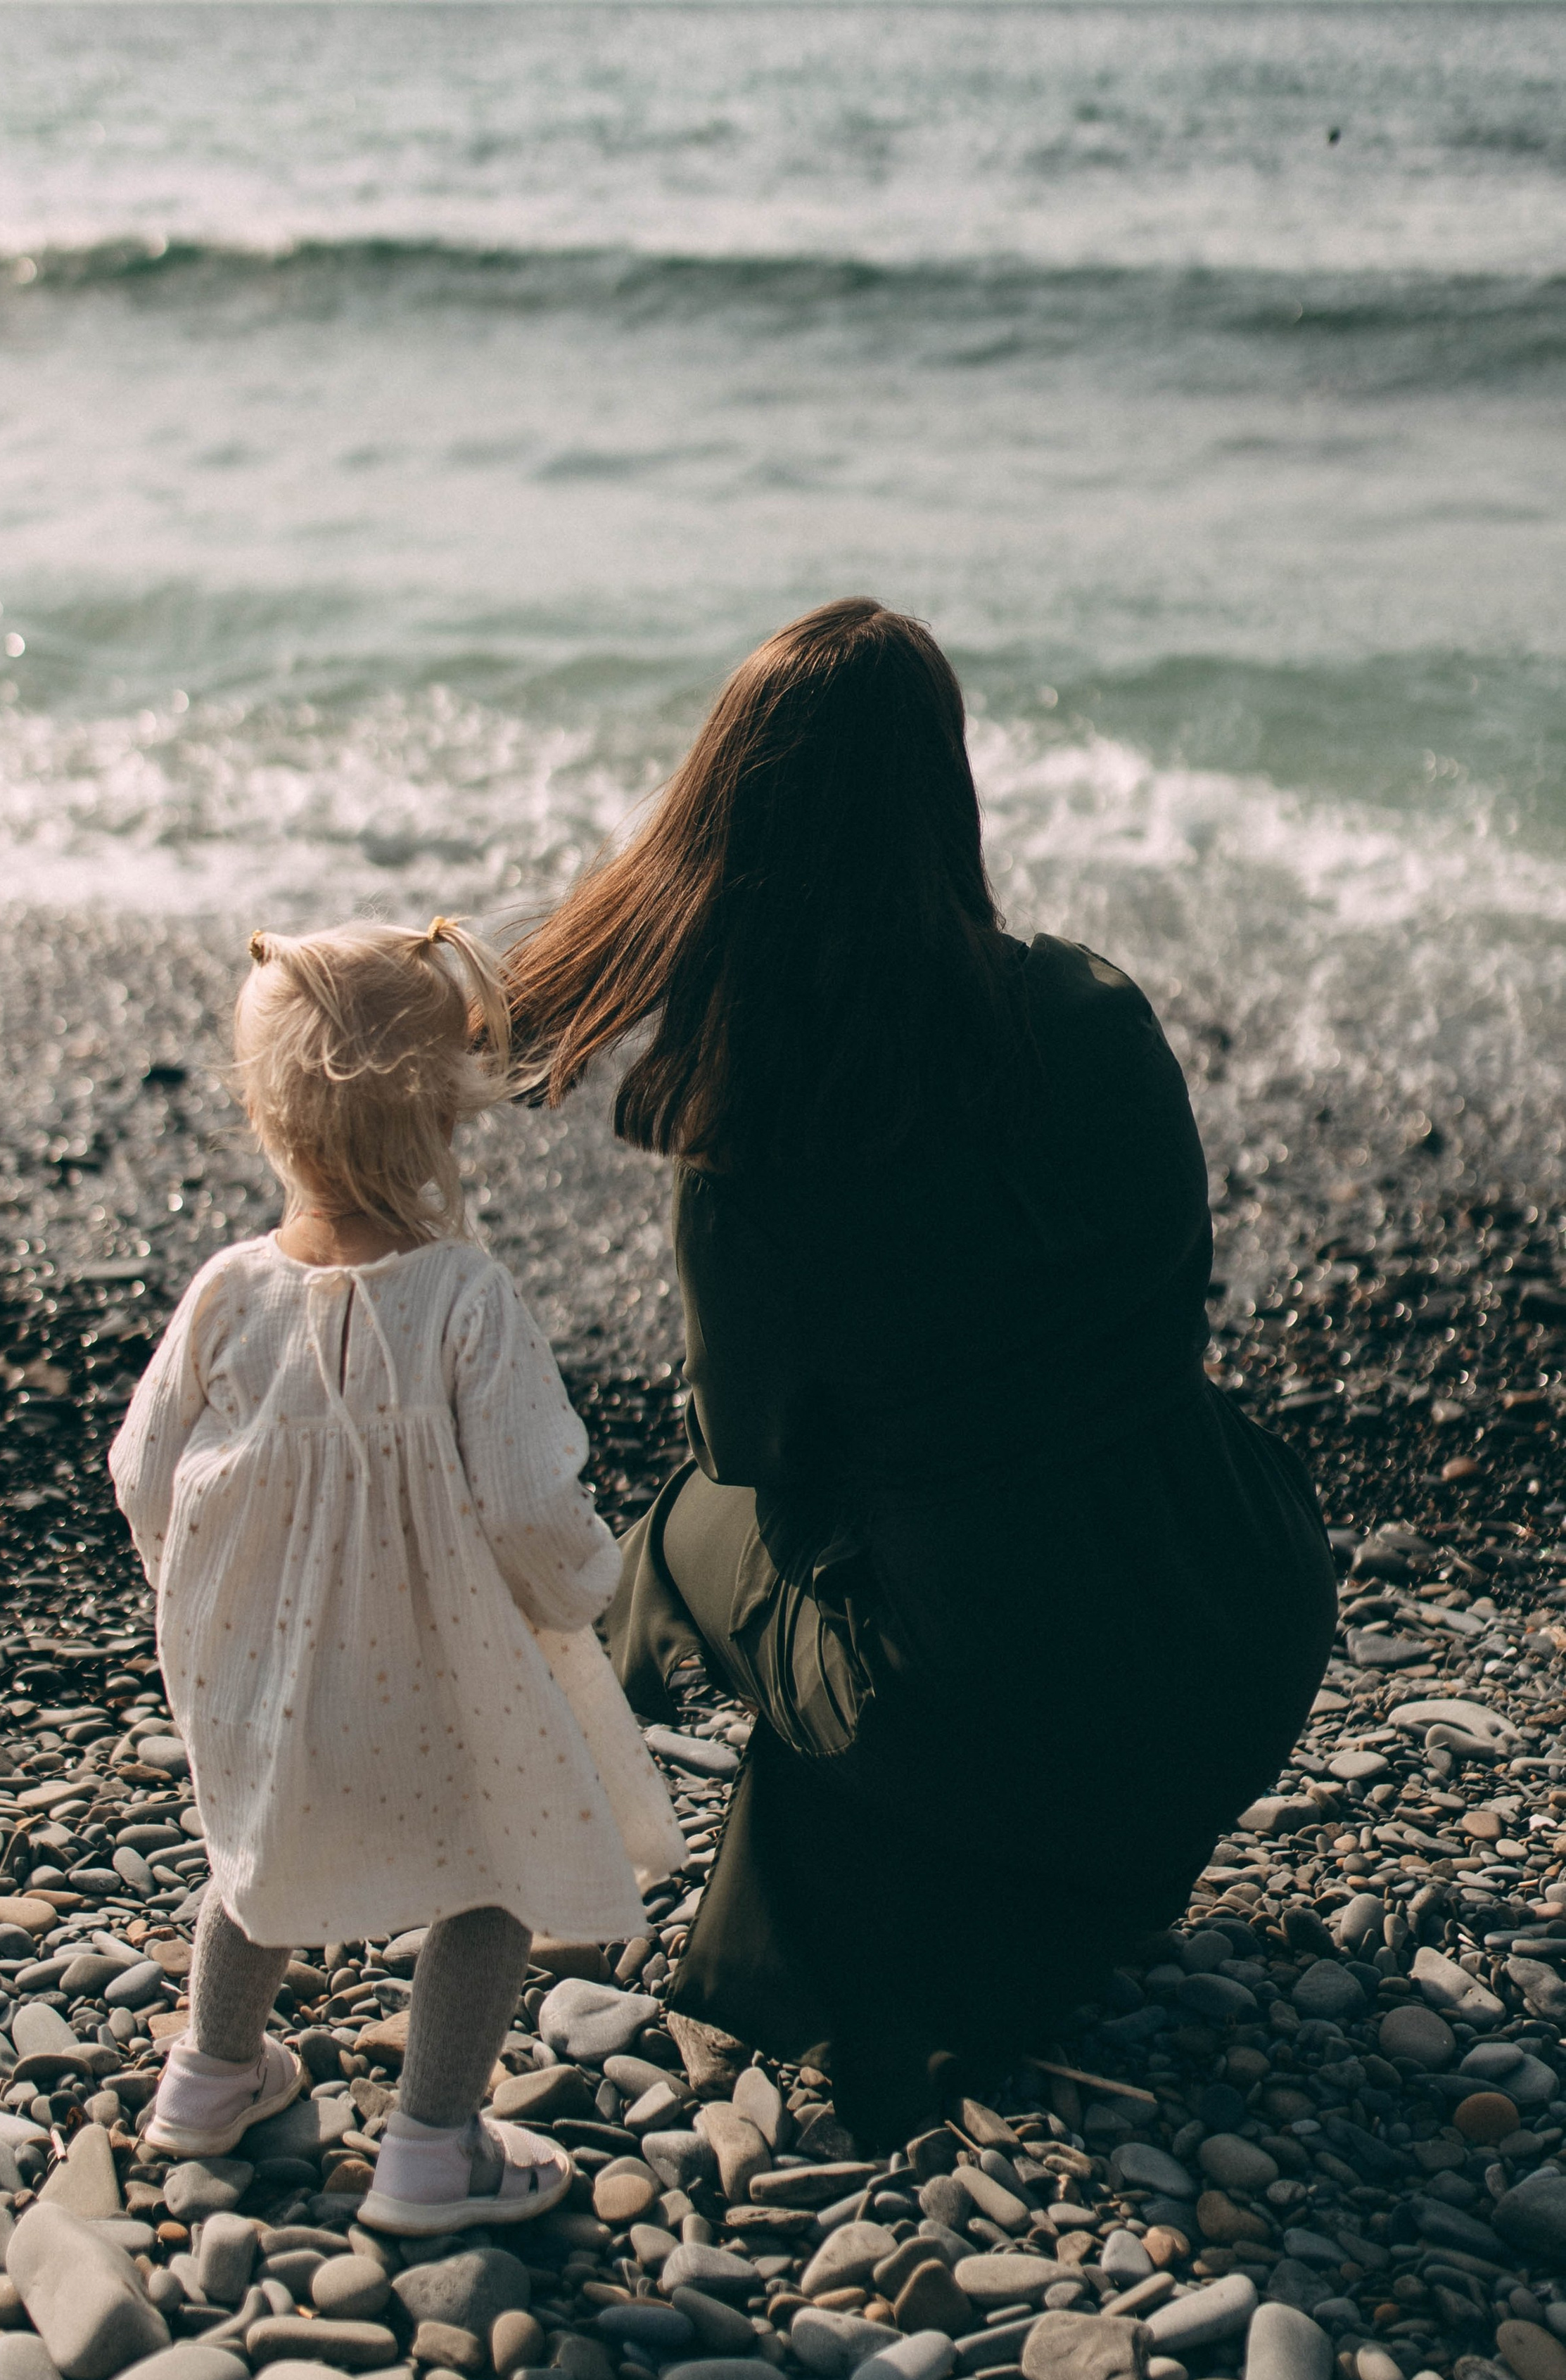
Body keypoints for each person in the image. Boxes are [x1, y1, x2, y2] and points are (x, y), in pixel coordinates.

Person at [507, 596, 1337, 2151]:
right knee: (965, 1546)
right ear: (943, 790)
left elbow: (751, 1452)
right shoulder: (1093, 1011)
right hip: (1236, 1623)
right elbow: (1165, 1292)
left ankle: (537, 1816)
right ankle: (1007, 1862)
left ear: (727, 821)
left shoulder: (752, 1138)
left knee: (687, 1530)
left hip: (985, 1705)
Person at [110, 915, 680, 2230]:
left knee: (253, 1856)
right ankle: (431, 2148)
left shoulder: (227, 1293)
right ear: (443, 1123)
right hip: (447, 1676)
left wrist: (203, 1599)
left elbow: (145, 1473)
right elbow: (533, 1502)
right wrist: (581, 1590)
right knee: (490, 1876)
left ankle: (209, 2079)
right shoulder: (465, 1297)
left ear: (265, 1112)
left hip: (273, 1660)